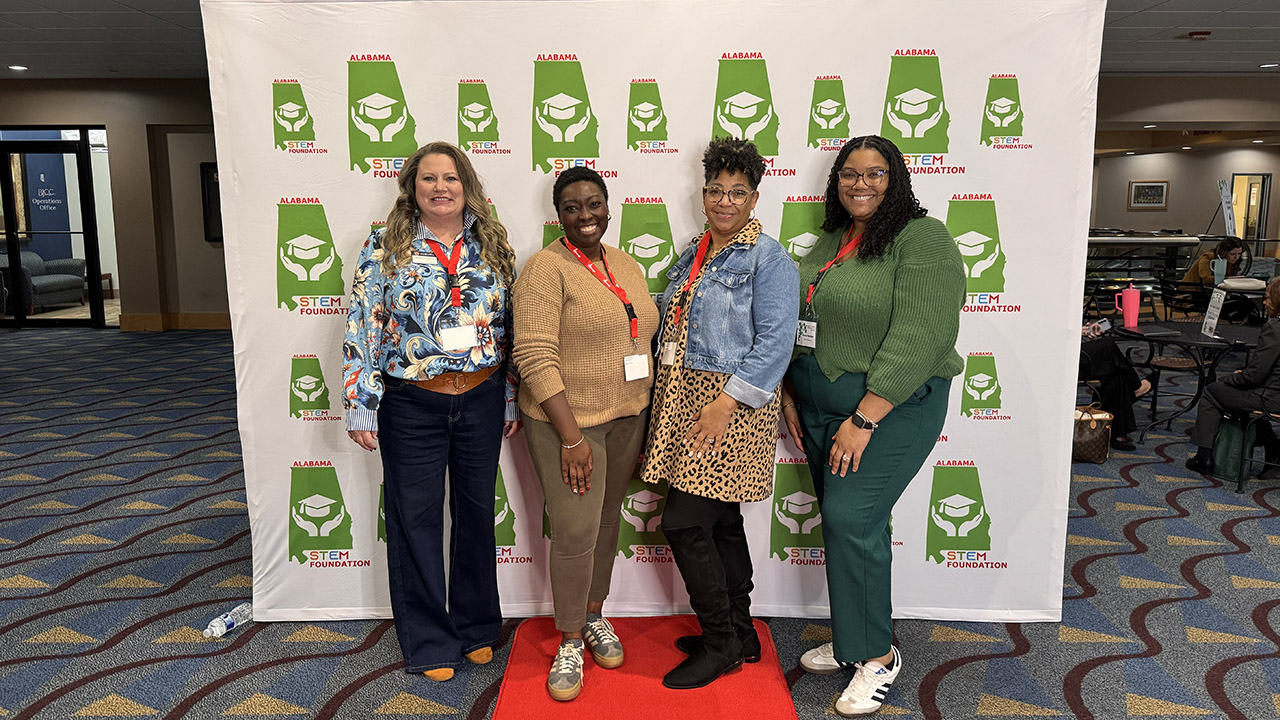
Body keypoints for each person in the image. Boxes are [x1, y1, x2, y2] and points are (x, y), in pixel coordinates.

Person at [780, 135, 964, 717]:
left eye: (875, 174)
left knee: (849, 516)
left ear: (897, 180)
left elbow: (922, 336)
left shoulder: (922, 238)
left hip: (888, 409)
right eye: (850, 173)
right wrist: (790, 386)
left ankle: (878, 657)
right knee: (854, 526)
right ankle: (855, 640)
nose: (861, 184)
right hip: (816, 405)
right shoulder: (837, 238)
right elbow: (808, 318)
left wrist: (864, 416)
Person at [342, 141, 520, 682]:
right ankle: (428, 640)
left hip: (482, 397)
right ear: (411, 187)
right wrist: (359, 402)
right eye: (428, 179)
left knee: (475, 517)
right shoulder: (384, 245)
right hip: (411, 405)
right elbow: (363, 323)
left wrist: (510, 394)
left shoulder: (491, 242)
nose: (440, 187)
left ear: (466, 183)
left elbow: (510, 329)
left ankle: (475, 628)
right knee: (415, 521)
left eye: (450, 177)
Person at [641, 137, 799, 690]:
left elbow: (776, 344)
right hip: (686, 398)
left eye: (737, 192)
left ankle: (720, 643)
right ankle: (741, 629)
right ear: (703, 193)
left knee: (684, 522)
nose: (724, 200)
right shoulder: (696, 250)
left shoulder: (769, 257)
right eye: (715, 190)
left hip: (729, 405)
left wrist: (726, 403)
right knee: (721, 520)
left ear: (755, 197)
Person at [512, 167, 660, 702]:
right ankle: (570, 637)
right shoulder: (544, 269)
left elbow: (640, 335)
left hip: (626, 415)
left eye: (593, 203)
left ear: (608, 206)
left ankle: (595, 614)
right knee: (575, 529)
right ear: (559, 216)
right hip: (566, 423)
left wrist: (643, 411)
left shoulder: (627, 264)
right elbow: (532, 353)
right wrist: (572, 437)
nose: (585, 215)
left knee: (604, 519)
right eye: (572, 207)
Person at [1185, 277, 1280, 477]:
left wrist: (1230, 378)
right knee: (1243, 396)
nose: (1264, 302)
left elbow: (1255, 376)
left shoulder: (1275, 330)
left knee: (1212, 391)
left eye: (1268, 298)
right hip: (1271, 393)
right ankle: (1274, 451)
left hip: (1271, 398)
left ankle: (1204, 457)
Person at [1080, 322, 1152, 451]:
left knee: (1114, 370)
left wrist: (1082, 330)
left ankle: (1112, 429)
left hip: (1064, 349)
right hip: (1054, 358)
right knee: (1108, 348)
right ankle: (1136, 388)